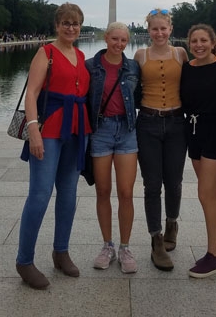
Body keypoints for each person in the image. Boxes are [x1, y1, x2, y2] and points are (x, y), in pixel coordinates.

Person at [16, 2, 91, 289]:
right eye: (66, 23)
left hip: (76, 130)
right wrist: (33, 131)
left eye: (75, 23)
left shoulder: (82, 54)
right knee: (40, 193)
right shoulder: (45, 52)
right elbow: (32, 94)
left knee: (69, 194)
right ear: (57, 26)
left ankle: (61, 251)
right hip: (48, 130)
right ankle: (24, 260)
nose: (71, 28)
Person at [134, 8, 188, 271]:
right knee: (152, 184)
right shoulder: (140, 55)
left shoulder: (180, 54)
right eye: (154, 29)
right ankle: (156, 238)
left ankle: (172, 224)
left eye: (163, 28)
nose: (159, 33)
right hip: (148, 122)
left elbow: (197, 80)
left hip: (177, 123)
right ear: (149, 31)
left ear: (170, 29)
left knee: (174, 181)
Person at [86, 22, 140, 274]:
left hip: (127, 131)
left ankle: (125, 246)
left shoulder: (132, 67)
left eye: (123, 40)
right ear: (106, 38)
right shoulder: (90, 66)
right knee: (103, 191)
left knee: (126, 192)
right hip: (101, 131)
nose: (119, 44)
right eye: (114, 39)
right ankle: (107, 245)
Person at [180, 24, 216, 278]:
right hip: (195, 131)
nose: (198, 45)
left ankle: (213, 256)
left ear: (213, 42)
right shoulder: (186, 69)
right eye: (194, 41)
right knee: (212, 194)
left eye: (203, 40)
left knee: (205, 193)